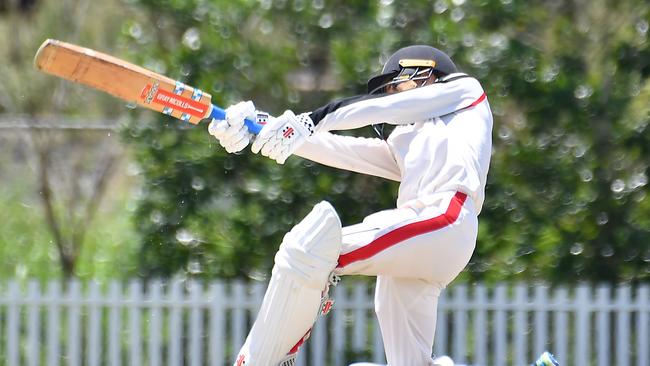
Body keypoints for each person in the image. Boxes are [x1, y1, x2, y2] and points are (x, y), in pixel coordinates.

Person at [208, 44, 493, 366]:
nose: (389, 96)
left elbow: (386, 109)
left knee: (312, 250)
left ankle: (263, 358)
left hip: (444, 217)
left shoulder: (464, 91)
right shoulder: (409, 141)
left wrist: (310, 120)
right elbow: (343, 151)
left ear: (423, 72)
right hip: (426, 241)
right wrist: (262, 125)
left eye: (394, 86)